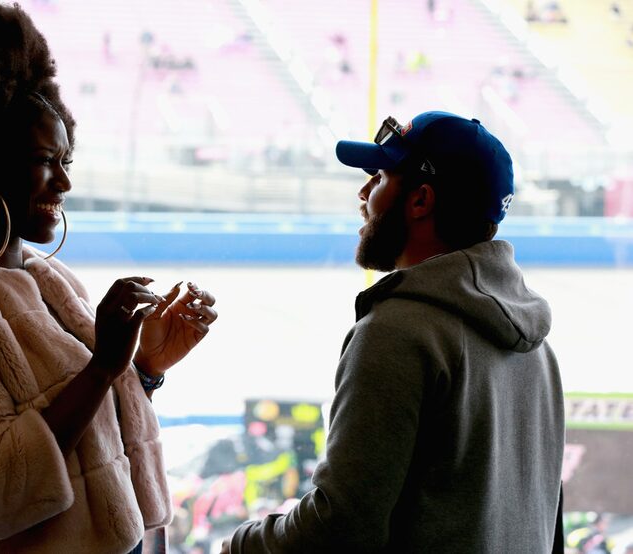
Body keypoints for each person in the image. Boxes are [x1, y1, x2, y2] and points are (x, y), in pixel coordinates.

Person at [0, 2, 217, 553]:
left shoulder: (53, 281)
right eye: (45, 160)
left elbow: (96, 448)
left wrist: (144, 369)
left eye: (66, 161)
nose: (63, 184)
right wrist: (103, 366)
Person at [221, 111, 564, 552]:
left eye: (379, 179)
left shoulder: (397, 333)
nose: (363, 194)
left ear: (420, 201)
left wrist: (240, 546)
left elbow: (339, 526)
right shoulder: (538, 348)